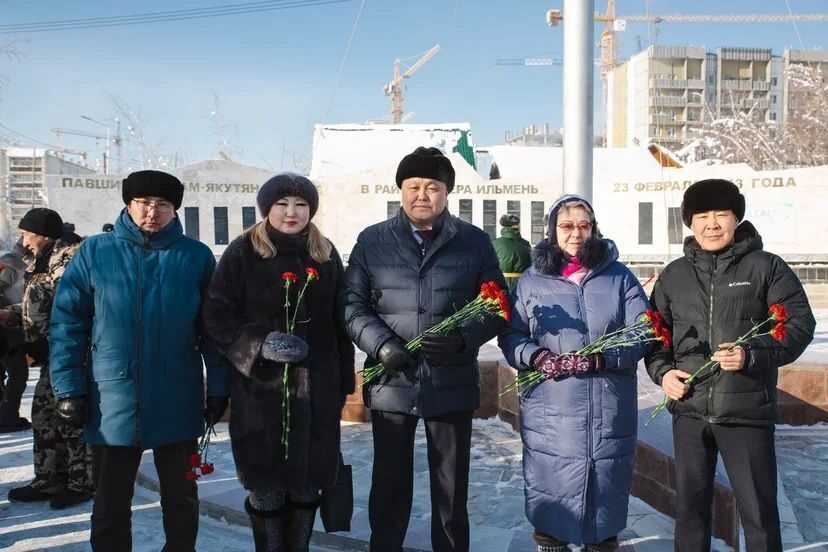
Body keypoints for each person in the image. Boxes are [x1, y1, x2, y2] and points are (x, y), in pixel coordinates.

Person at [48, 170, 231, 550]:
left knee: (181, 498)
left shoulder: (194, 257)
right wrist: (68, 387)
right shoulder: (96, 252)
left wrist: (218, 385)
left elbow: (213, 328)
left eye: (163, 204)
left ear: (174, 210)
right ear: (128, 205)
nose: (152, 212)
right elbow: (68, 322)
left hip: (176, 394)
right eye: (143, 203)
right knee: (111, 501)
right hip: (112, 395)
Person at [342, 146, 507, 552]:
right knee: (389, 485)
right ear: (400, 190)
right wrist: (381, 346)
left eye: (432, 187)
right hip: (393, 383)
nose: (422, 195)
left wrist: (463, 338)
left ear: (446, 192)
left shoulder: (473, 241)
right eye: (413, 186)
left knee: (451, 490)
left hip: (450, 380)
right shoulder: (372, 241)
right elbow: (350, 305)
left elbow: (499, 304)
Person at [645, 179, 815, 552]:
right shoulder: (673, 275)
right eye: (702, 215)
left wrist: (752, 354)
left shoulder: (766, 267)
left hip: (746, 412)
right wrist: (664, 373)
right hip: (689, 412)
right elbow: (655, 337)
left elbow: (800, 326)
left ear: (736, 217)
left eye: (721, 214)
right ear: (690, 222)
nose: (712, 223)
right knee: (689, 511)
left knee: (759, 516)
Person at [202, 172, 355, 551]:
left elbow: (341, 318)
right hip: (262, 391)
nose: (291, 213)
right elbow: (217, 314)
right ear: (267, 208)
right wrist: (260, 343)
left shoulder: (325, 252)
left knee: (308, 484)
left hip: (318, 388)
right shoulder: (243, 252)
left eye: (301, 205)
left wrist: (342, 380)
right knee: (266, 486)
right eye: (282, 204)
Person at [499, 194, 650, 552]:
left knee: (605, 505)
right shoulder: (532, 280)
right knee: (552, 500)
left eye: (584, 226)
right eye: (567, 226)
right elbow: (511, 335)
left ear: (594, 229)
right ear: (552, 231)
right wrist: (535, 357)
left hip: (607, 409)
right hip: (551, 412)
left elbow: (643, 331)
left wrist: (601, 358)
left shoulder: (619, 277)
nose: (576, 234)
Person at [0, 208, 93, 508]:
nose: (24, 242)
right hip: (49, 356)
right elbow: (40, 304)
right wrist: (12, 314)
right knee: (44, 417)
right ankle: (50, 478)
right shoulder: (43, 258)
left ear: (43, 234)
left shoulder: (65, 259)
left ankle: (81, 482)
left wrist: (47, 339)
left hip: (68, 356)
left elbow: (71, 308)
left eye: (27, 235)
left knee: (70, 419)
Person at [0, 239, 32, 432]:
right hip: (6, 330)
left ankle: (8, 415)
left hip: (14, 328)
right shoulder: (10, 263)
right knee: (17, 373)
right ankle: (7, 417)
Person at [491, 213, 532, 293]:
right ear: (518, 225)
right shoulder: (526, 244)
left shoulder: (495, 243)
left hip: (500, 286)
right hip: (522, 286)